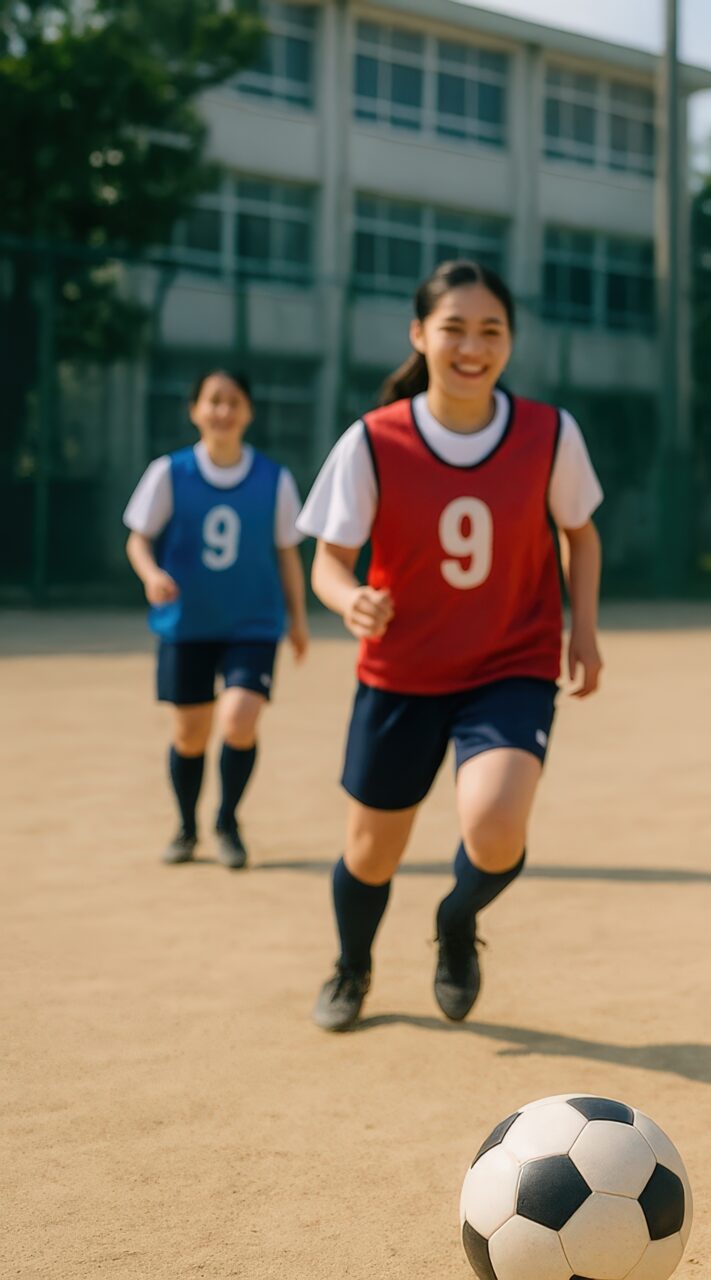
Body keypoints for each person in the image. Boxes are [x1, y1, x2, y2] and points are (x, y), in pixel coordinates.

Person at [296, 260, 605, 1033]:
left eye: (491, 330)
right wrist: (349, 599)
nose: (473, 346)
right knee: (370, 854)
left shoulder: (548, 431)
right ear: (419, 336)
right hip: (401, 673)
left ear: (510, 342)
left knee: (496, 825)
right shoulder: (374, 440)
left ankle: (457, 919)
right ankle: (352, 965)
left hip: (511, 662)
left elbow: (581, 535)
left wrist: (585, 630)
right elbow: (327, 563)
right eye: (454, 328)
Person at [123, 369, 308, 869]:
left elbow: (287, 554)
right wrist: (150, 573)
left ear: (248, 412)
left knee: (239, 718)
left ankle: (228, 820)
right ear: (195, 410)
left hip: (253, 623)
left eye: (234, 402)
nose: (223, 411)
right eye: (214, 401)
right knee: (190, 733)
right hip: (187, 623)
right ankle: (186, 826)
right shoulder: (170, 473)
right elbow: (138, 538)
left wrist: (298, 618)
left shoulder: (275, 479)